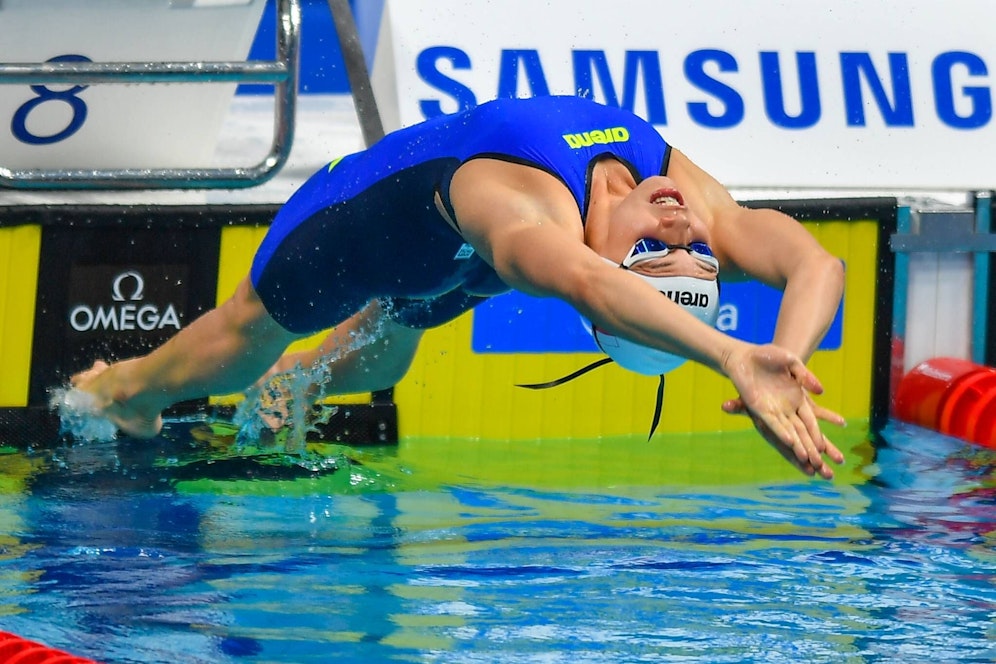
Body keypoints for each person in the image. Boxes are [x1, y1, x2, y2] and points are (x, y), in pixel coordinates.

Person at [70, 95, 847, 478]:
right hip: (369, 229)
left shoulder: (535, 238)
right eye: (695, 255)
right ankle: (125, 393)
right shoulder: (686, 206)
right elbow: (818, 265)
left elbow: (583, 280)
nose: (678, 226)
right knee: (252, 334)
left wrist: (732, 358)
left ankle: (250, 389)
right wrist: (772, 355)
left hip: (434, 246)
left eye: (653, 248)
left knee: (379, 353)